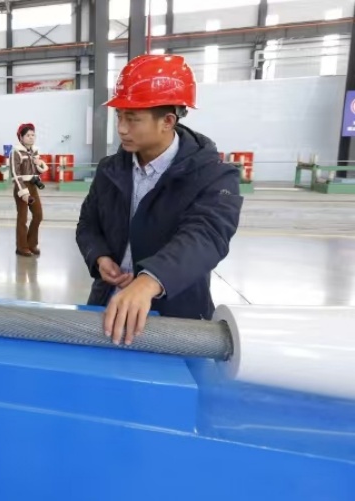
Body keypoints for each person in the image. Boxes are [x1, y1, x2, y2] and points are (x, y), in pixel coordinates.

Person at [75, 54, 243, 346]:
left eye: (132, 119)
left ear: (167, 121)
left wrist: (150, 280)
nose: (121, 128)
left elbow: (206, 236)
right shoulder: (110, 170)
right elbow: (88, 225)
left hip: (175, 318)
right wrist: (100, 257)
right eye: (119, 116)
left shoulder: (213, 175)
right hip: (108, 308)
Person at [11, 123, 48, 257]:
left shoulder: (35, 151)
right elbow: (15, 174)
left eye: (33, 135)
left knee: (38, 215)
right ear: (21, 137)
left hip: (33, 185)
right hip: (22, 186)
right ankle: (22, 247)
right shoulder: (16, 152)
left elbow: (39, 170)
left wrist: (40, 164)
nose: (31, 137)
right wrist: (24, 193)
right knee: (22, 218)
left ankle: (32, 244)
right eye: (28, 135)